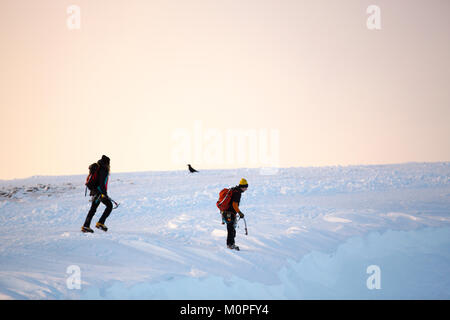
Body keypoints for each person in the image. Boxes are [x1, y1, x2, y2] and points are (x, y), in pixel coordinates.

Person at [81, 155, 112, 233]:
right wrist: (104, 194)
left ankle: (86, 226)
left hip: (95, 192)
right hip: (99, 193)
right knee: (109, 206)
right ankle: (100, 223)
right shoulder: (104, 169)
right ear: (107, 163)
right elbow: (102, 184)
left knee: (93, 209)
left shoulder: (98, 168)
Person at [222, 178, 248, 250]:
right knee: (231, 229)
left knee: (231, 229)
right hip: (230, 213)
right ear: (243, 187)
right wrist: (240, 213)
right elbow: (234, 205)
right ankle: (230, 245)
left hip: (226, 212)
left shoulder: (234, 189)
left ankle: (231, 244)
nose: (246, 189)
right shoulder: (237, 193)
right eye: (246, 187)